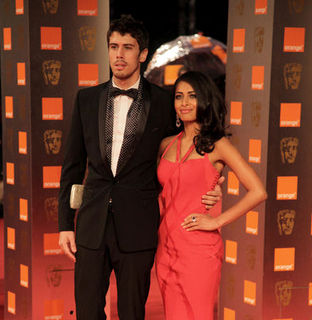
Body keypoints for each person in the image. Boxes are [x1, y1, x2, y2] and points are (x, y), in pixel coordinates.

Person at [58, 16, 221, 320]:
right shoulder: (87, 99)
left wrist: (214, 182)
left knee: (133, 312)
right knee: (87, 312)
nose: (119, 55)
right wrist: (66, 223)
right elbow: (72, 165)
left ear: (142, 53)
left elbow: (187, 149)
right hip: (91, 226)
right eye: (113, 46)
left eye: (127, 47)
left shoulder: (163, 102)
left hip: (138, 227)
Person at [155, 71, 267, 320]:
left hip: (199, 251)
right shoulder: (166, 145)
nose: (184, 103)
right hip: (165, 249)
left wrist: (216, 221)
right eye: (179, 96)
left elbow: (258, 191)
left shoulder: (218, 145)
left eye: (192, 96)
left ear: (204, 100)